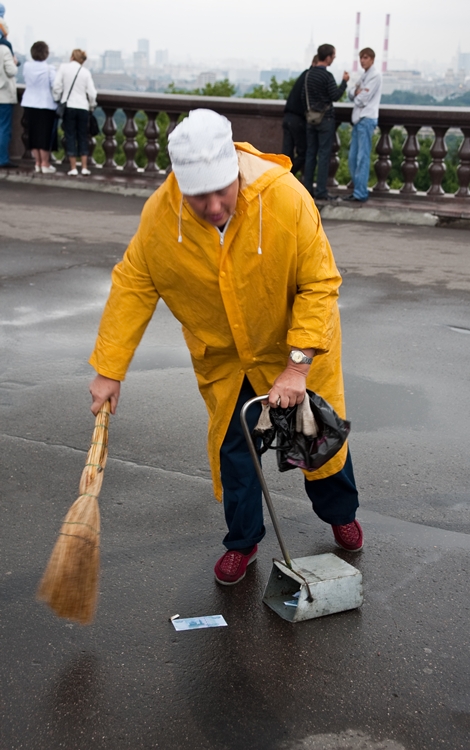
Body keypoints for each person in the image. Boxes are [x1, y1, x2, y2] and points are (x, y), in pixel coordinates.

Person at [88, 108, 363, 587]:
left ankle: (340, 514)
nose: (214, 206)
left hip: (294, 346)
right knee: (237, 452)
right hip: (227, 358)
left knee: (317, 436)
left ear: (236, 170)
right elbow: (133, 285)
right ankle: (242, 541)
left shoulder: (284, 197)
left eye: (223, 190)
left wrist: (296, 367)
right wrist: (110, 369)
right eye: (199, 196)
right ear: (179, 184)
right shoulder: (161, 215)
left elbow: (320, 284)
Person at [302, 43, 349, 202]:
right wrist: (344, 82)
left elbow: (303, 96)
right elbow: (335, 95)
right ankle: (321, 190)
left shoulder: (309, 75)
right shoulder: (327, 76)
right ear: (328, 57)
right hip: (325, 119)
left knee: (310, 154)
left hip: (310, 118)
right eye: (333, 56)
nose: (333, 59)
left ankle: (307, 189)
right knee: (323, 155)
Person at [343, 47, 382, 203]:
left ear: (372, 59)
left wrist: (357, 93)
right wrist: (356, 92)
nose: (362, 60)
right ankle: (358, 190)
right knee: (353, 158)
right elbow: (351, 93)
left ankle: (360, 193)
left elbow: (361, 99)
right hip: (358, 120)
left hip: (366, 119)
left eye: (365, 57)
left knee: (362, 158)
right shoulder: (364, 75)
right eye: (361, 58)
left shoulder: (375, 75)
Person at [52, 48, 97, 176]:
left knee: (70, 136)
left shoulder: (63, 68)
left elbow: (57, 86)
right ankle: (84, 167)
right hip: (83, 107)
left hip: (69, 106)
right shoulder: (85, 72)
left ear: (72, 57)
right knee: (83, 136)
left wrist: (58, 99)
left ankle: (73, 168)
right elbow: (92, 93)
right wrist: (91, 106)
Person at [21, 41, 58, 174]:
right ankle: (45, 163)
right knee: (44, 136)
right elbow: (55, 85)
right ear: (46, 54)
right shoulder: (49, 69)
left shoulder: (26, 66)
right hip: (45, 104)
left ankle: (37, 163)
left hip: (29, 103)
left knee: (33, 135)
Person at [281, 55, 317, 177]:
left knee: (286, 154)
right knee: (304, 152)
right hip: (297, 119)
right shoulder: (311, 77)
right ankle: (286, 176)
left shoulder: (304, 75)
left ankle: (282, 176)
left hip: (287, 117)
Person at [0, 34, 17, 169]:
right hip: (3, 96)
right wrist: (14, 63)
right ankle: (2, 159)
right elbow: (11, 71)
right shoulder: (4, 49)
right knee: (4, 128)